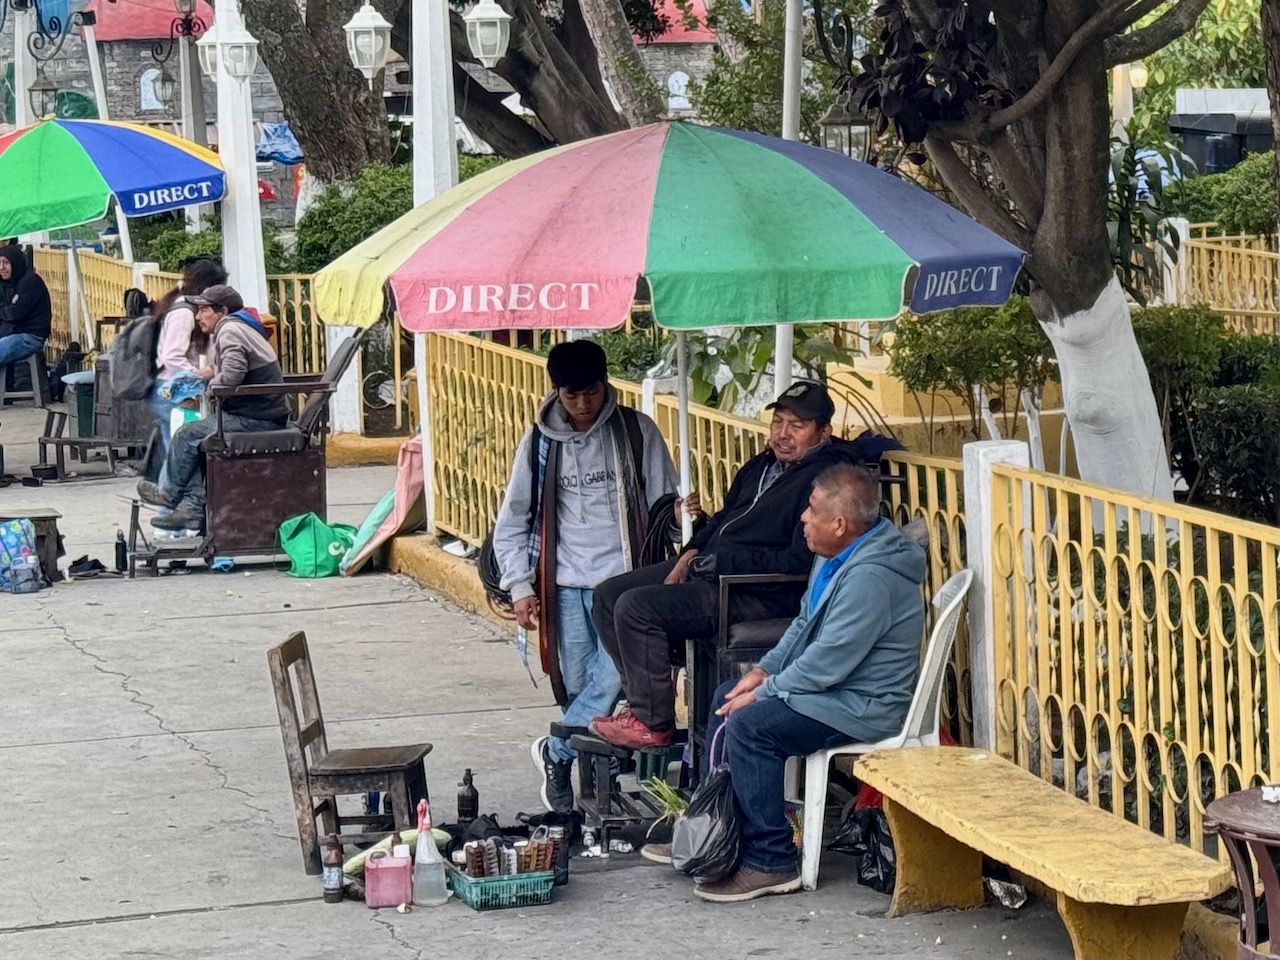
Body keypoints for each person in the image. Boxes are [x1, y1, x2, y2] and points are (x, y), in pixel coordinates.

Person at [590, 380, 901, 751]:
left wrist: (725, 562)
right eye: (778, 422)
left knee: (636, 608)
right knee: (608, 595)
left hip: (754, 590)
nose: (783, 434)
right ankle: (643, 701)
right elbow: (726, 517)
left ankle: (653, 723)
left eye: (797, 426)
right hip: (713, 567)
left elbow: (800, 559)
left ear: (823, 433)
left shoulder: (824, 481)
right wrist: (691, 552)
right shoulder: (762, 466)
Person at [682, 463, 925, 902]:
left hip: (865, 705)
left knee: (750, 727)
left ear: (839, 524)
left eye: (812, 510)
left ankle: (770, 860)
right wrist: (762, 671)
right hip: (835, 693)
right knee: (725, 697)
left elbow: (827, 663)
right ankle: (712, 832)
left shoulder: (871, 577)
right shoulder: (836, 556)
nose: (803, 518)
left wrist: (765, 692)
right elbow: (802, 625)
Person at [491, 339, 677, 812]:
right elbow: (513, 521)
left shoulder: (637, 431)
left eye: (590, 392)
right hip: (565, 585)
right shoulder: (538, 444)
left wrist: (680, 517)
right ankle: (595, 782)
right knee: (576, 688)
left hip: (627, 587)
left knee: (613, 681)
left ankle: (556, 752)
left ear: (605, 385)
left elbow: (663, 506)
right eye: (571, 395)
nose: (582, 405)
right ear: (556, 392)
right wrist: (520, 586)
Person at [135, 285, 289, 532]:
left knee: (187, 435)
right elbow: (223, 368)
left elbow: (232, 375)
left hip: (257, 417)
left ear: (222, 311)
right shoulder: (238, 327)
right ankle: (190, 509)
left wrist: (205, 393)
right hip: (256, 412)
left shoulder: (230, 331)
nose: (198, 316)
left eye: (204, 310)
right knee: (194, 438)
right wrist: (196, 378)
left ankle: (171, 497)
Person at [148, 258, 229, 462]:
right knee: (180, 458)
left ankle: (167, 483)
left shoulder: (186, 307)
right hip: (173, 389)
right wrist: (197, 377)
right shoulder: (184, 313)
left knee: (175, 456)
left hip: (175, 388)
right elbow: (171, 356)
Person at [0, 245, 51, 370]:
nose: (2, 267)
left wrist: (7, 309)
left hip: (30, 336)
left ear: (15, 263)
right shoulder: (5, 283)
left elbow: (15, 313)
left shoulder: (30, 282)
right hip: (9, 332)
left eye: (6, 263)